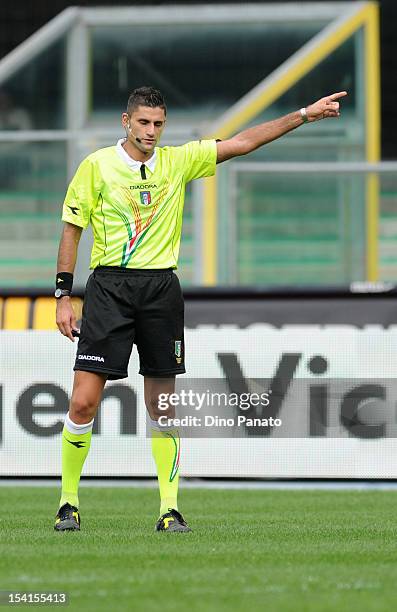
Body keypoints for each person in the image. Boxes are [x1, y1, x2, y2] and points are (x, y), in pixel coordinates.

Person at [54, 86, 347, 532]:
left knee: (163, 406)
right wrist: (62, 295)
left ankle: (169, 509)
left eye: (158, 124)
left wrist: (304, 115)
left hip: (161, 290)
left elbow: (243, 142)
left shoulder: (178, 161)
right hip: (109, 289)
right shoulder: (97, 166)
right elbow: (72, 229)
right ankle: (68, 502)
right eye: (144, 123)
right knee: (82, 402)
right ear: (125, 122)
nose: (151, 132)